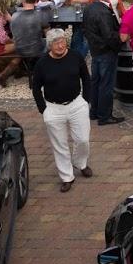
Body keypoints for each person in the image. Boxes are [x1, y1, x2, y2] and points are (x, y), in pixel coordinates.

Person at [31, 29, 93, 193]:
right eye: (56, 43)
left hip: (76, 104)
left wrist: (86, 100)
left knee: (82, 140)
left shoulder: (75, 56)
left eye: (62, 41)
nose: (60, 46)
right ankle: (66, 176)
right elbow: (36, 86)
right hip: (53, 108)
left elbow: (86, 78)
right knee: (59, 144)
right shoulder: (42, 63)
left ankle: (81, 163)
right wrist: (43, 109)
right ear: (49, 45)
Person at [81, 0, 124, 125]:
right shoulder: (103, 11)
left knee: (96, 82)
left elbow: (86, 30)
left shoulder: (89, 8)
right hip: (106, 52)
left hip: (95, 51)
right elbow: (109, 35)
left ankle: (94, 112)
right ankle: (105, 116)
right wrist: (120, 42)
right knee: (106, 84)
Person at [9, 0, 51, 67]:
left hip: (19, 49)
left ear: (23, 0)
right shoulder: (41, 15)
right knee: (49, 41)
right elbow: (48, 35)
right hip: (36, 50)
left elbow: (13, 32)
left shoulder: (14, 15)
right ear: (36, 1)